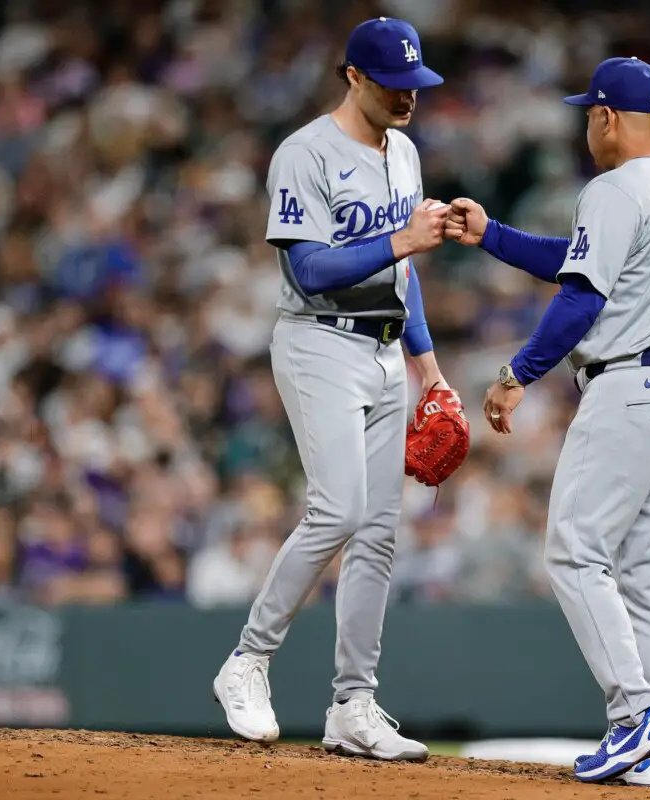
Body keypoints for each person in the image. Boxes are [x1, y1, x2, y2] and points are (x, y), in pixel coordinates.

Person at [447, 57, 650, 785]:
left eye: (587, 114)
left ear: (605, 117)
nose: (585, 127)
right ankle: (644, 756)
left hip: (630, 389)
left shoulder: (614, 185)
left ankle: (636, 715)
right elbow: (581, 261)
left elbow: (581, 298)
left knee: (573, 549)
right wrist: (492, 235)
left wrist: (515, 374)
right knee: (646, 580)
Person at [211, 17, 452, 761]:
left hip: (384, 350)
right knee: (339, 508)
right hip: (318, 340)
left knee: (379, 532)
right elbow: (308, 270)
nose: (408, 97)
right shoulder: (304, 153)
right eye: (392, 83)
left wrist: (431, 368)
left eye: (415, 83)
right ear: (352, 76)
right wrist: (401, 239)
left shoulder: (405, 151)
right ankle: (248, 660)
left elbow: (401, 277)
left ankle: (354, 704)